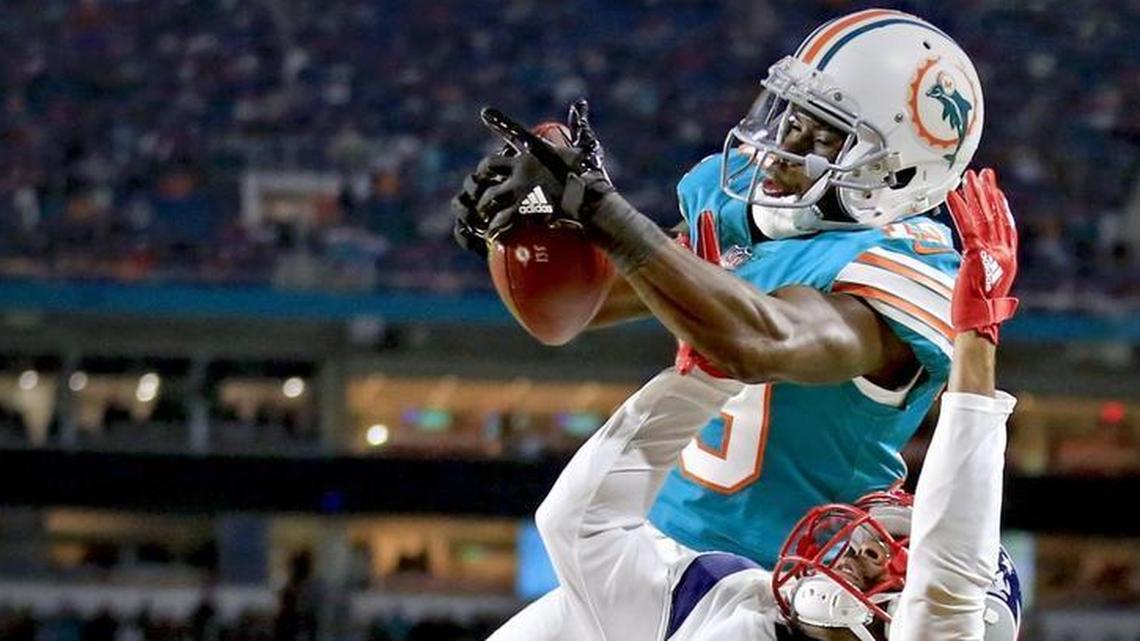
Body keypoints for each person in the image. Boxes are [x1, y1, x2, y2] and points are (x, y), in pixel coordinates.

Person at [452, 8, 988, 638]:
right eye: (790, 118)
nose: (783, 149)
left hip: (768, 591)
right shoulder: (745, 217)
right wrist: (531, 235)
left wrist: (603, 212)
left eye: (823, 139)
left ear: (897, 173)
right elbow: (581, 305)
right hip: (641, 550)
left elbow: (760, 342)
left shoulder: (905, 265)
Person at [503, 167, 1021, 641]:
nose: (865, 547)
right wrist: (702, 379)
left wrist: (979, 342)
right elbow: (578, 526)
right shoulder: (732, 598)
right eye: (885, 542)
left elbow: (952, 581)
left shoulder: (933, 612)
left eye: (899, 558)